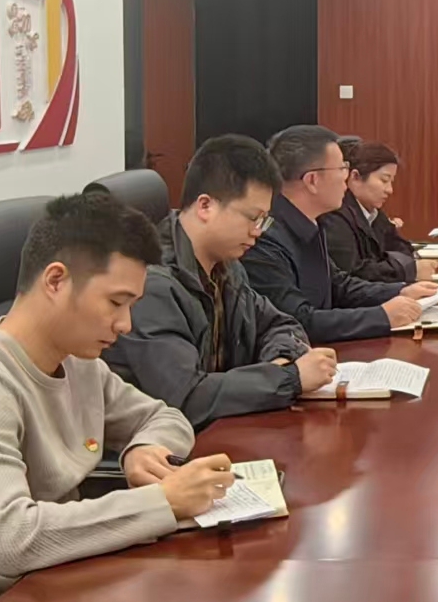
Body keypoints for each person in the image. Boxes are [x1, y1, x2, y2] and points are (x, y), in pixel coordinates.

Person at [0, 193, 234, 602]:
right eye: (115, 302)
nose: (126, 324)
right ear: (55, 280)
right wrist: (162, 501)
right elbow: (11, 539)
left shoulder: (78, 362)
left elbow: (165, 418)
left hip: (65, 578)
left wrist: (144, 449)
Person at [104, 135, 340, 431]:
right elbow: (185, 398)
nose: (258, 232)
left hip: (224, 430)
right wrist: (289, 378)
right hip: (166, 446)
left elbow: (281, 324)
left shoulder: (227, 265)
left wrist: (280, 362)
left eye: (264, 221)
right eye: (252, 218)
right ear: (205, 206)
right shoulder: (151, 284)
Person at [243, 125, 437, 342]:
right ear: (312, 180)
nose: (347, 177)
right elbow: (297, 320)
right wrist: (381, 317)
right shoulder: (264, 237)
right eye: (342, 168)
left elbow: (338, 286)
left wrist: (400, 291)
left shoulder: (309, 222)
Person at [322, 137, 436, 284]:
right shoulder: (335, 214)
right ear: (355, 177)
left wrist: (396, 266)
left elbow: (402, 248)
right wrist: (407, 270)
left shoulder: (373, 212)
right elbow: (354, 272)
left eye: (391, 181)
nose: (390, 190)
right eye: (384, 180)